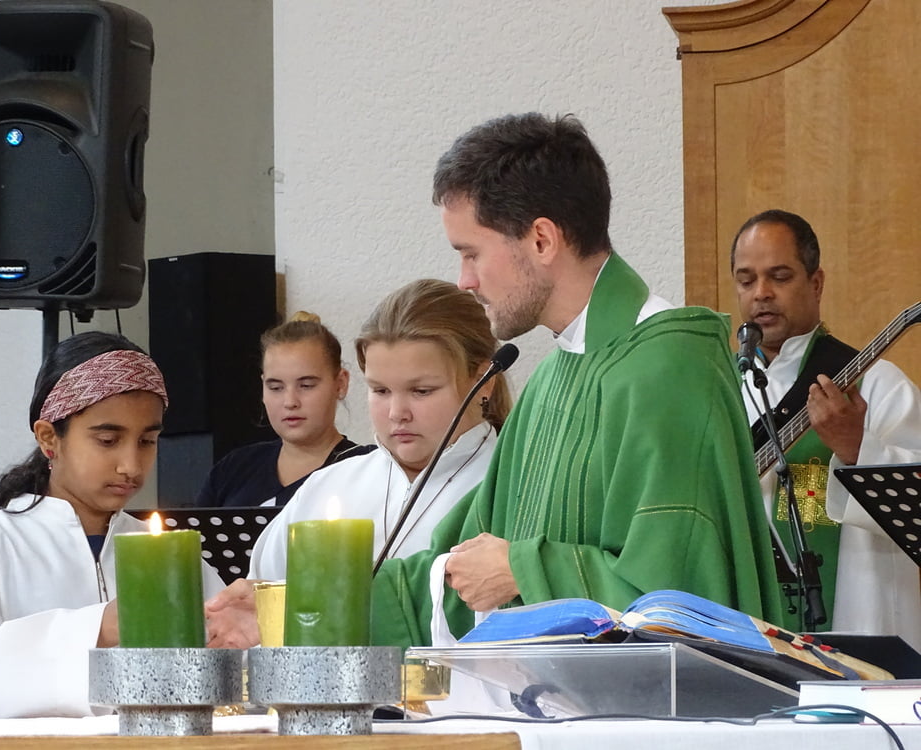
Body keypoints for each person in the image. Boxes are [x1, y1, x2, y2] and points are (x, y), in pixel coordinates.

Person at [206, 113, 784, 652]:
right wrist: (294, 609)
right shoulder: (554, 378)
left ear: (541, 240)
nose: (464, 280)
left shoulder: (667, 366)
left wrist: (522, 568)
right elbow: (451, 572)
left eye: (471, 253)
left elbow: (683, 598)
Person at [0, 332, 225, 719]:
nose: (131, 466)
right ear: (50, 438)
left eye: (147, 441)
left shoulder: (170, 554)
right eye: (108, 440)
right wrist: (98, 627)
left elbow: (233, 674)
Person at [731, 209, 921, 647]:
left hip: (863, 633)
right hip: (749, 642)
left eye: (780, 276)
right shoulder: (720, 393)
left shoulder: (877, 384)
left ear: (816, 283)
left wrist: (859, 449)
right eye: (746, 280)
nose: (761, 293)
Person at [248, 278, 512, 580]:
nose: (397, 414)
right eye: (381, 391)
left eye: (421, 391)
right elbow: (260, 591)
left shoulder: (514, 487)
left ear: (483, 382)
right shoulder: (326, 487)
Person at [195, 311, 373, 508]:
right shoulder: (233, 469)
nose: (290, 402)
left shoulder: (369, 470)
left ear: (340, 384)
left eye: (306, 386)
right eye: (276, 388)